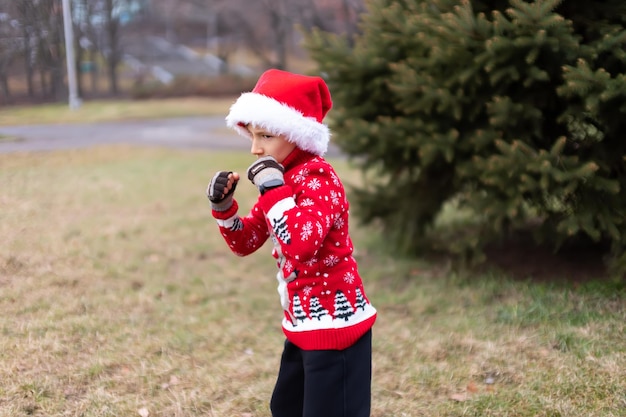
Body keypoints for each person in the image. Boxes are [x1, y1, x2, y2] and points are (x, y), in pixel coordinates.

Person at [206, 69, 377, 417]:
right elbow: (247, 239)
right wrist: (224, 209)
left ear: (295, 132)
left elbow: (302, 243)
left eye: (265, 135)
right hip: (302, 325)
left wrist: (273, 189)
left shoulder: (318, 178)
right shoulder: (282, 179)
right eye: (252, 136)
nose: (255, 148)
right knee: (286, 407)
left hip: (335, 327)